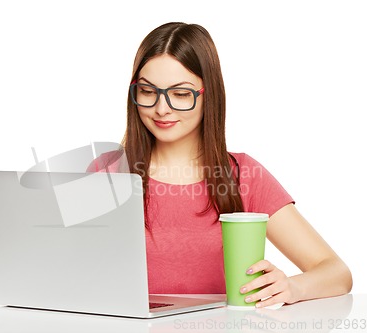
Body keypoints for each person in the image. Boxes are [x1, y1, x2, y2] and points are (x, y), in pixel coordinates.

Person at [88, 22, 352, 308]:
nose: (161, 108)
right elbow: (66, 266)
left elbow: (336, 272)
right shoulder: (107, 172)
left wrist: (291, 287)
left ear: (208, 94)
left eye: (181, 94)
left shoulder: (243, 176)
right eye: (148, 91)